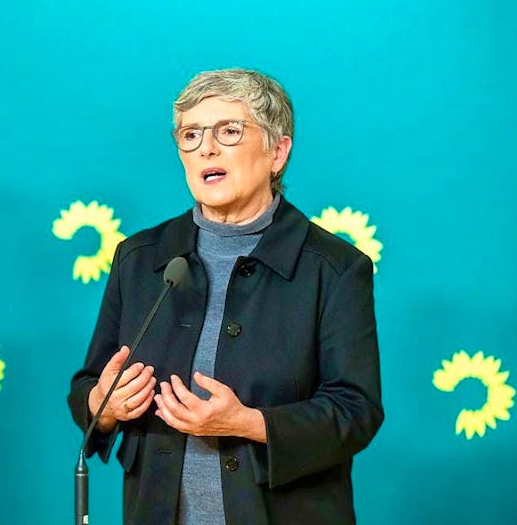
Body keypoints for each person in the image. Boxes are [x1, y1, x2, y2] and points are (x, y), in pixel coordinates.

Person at [68, 68, 383, 525]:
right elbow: (89, 386)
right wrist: (106, 405)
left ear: (278, 151)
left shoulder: (333, 268)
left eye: (229, 131)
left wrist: (248, 424)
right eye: (190, 135)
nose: (206, 149)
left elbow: (356, 411)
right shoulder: (139, 258)